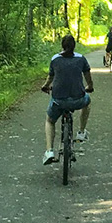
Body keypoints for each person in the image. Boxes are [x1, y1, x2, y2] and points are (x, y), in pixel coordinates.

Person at [40, 34, 93, 165]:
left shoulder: (55, 59)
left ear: (62, 46)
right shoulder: (81, 59)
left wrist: (45, 86)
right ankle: (81, 132)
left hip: (59, 100)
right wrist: (90, 87)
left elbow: (50, 77)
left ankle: (49, 151)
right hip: (78, 99)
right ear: (74, 46)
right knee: (88, 101)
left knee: (50, 120)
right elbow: (87, 75)